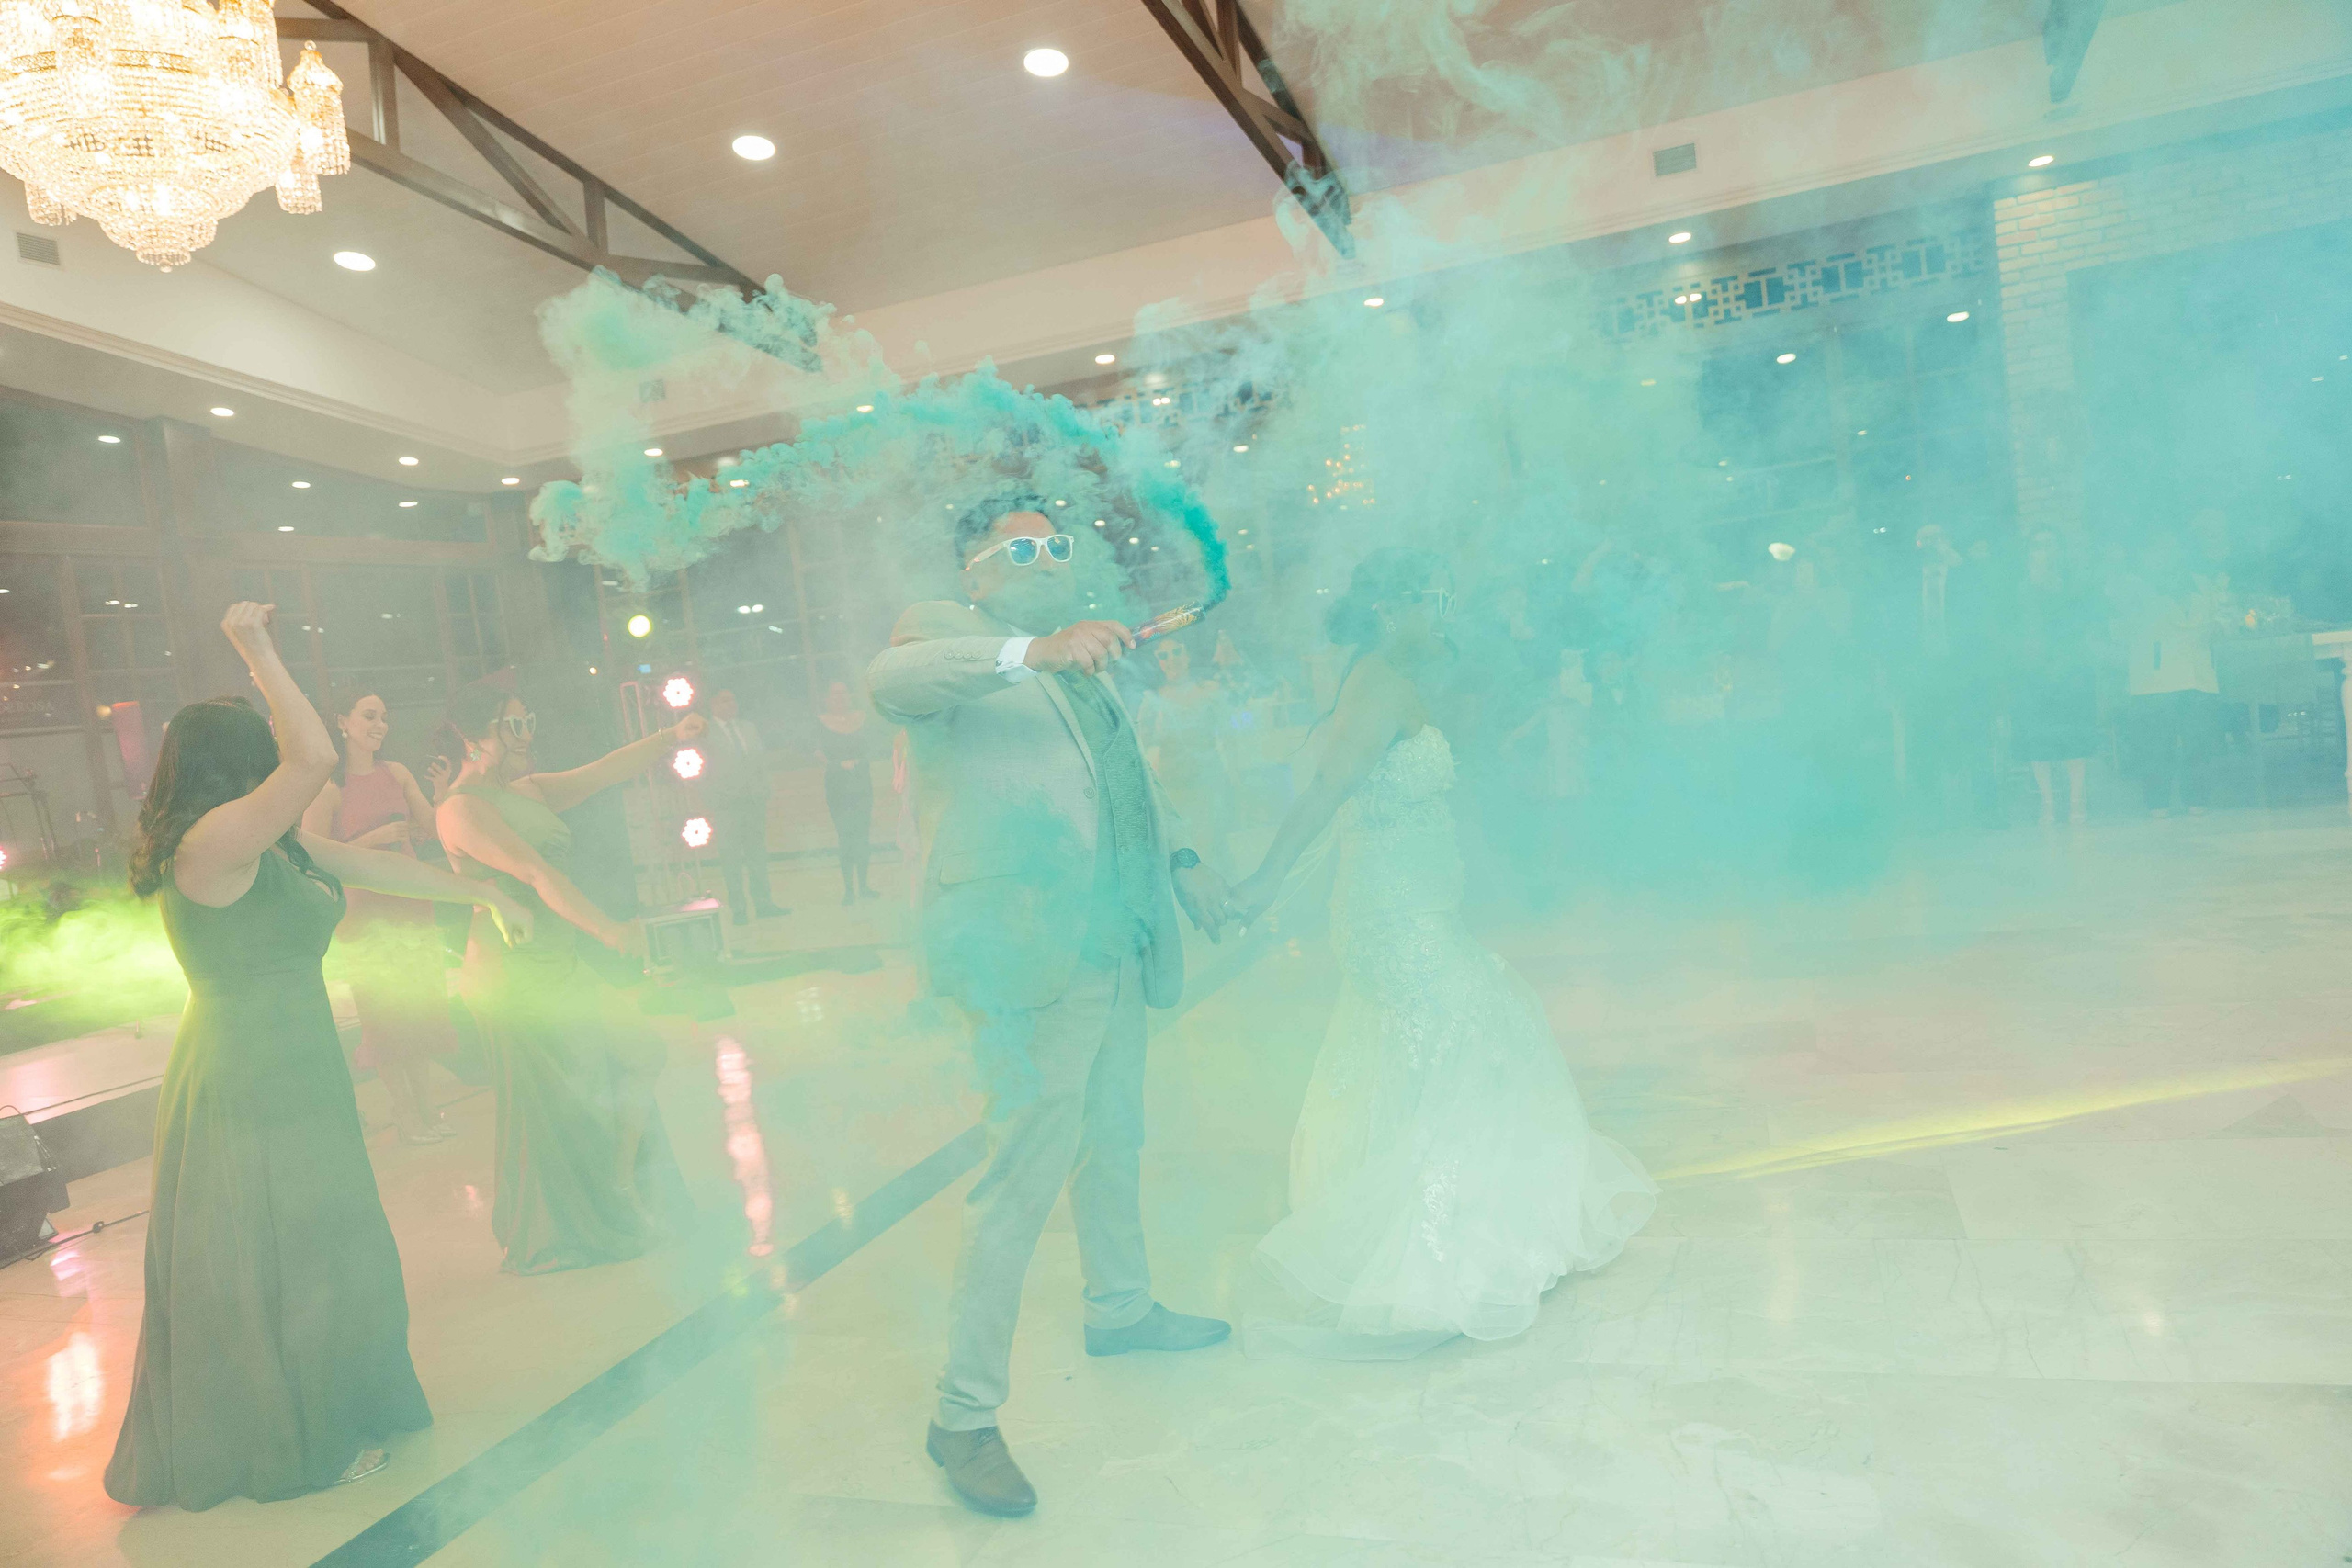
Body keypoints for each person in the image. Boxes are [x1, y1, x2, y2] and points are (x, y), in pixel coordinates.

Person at [107, 604, 531, 1510]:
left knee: (329, 1241)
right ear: (239, 765)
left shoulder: (273, 845)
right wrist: (256, 649)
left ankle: (345, 1399)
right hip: (248, 1069)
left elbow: (373, 867)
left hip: (294, 1059)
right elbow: (315, 759)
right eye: (260, 748)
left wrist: (480, 890)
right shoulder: (210, 847)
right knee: (285, 1249)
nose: (277, 763)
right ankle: (293, 1440)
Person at [868, 493, 1238, 1518]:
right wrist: (1031, 648)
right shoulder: (953, 635)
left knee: (1113, 1136)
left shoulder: (1078, 665)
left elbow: (1124, 780)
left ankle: (1119, 1307)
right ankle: (962, 1416)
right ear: (975, 570)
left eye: (1058, 545)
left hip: (1114, 938)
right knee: (1020, 1177)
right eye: (1020, 547)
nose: (1045, 559)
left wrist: (1187, 859)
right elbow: (886, 683)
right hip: (1030, 954)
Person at [1227, 548, 1656, 1359]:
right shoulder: (1381, 681)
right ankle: (1436, 1254)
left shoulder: (1386, 678)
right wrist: (1260, 882)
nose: (1444, 613)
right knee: (1473, 1029)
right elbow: (1325, 793)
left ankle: (1452, 1226)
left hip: (1413, 904)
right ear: (1392, 608)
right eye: (1432, 599)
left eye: (1447, 596)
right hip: (1396, 918)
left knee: (1434, 1048)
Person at [434, 682, 699, 1274]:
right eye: (514, 726)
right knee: (563, 1099)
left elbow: (603, 772)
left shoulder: (527, 791)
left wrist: (668, 738)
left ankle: (617, 1183)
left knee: (640, 1051)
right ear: (475, 736)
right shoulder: (462, 809)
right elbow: (531, 872)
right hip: (515, 974)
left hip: (558, 960)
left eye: (531, 722)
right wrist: (607, 930)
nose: (528, 736)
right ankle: (583, 1213)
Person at [302, 688, 459, 1144]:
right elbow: (314, 860)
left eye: (384, 717)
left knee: (422, 1009)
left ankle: (427, 1109)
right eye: (369, 716)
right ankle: (406, 1116)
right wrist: (373, 841)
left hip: (411, 906)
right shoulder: (329, 790)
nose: (380, 725)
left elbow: (435, 832)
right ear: (342, 722)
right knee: (386, 1018)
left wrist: (440, 792)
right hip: (367, 916)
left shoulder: (398, 774)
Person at [2110, 534, 2232, 817]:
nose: (2167, 553)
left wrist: (2221, 627)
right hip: (2152, 680)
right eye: (2159, 548)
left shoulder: (2204, 584)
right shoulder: (2132, 586)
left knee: (2199, 745)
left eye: (2173, 547)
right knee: (2154, 748)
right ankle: (2158, 806)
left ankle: (2197, 803)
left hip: (2198, 676)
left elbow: (2225, 616)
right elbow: (2119, 626)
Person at [2011, 530, 2101, 826]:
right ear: (2028, 552)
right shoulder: (2017, 587)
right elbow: (2009, 629)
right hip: (2032, 672)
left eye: (2051, 544)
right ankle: (2047, 802)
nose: (2045, 552)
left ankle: (2077, 798)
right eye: (2038, 545)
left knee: (2074, 735)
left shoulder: (2076, 584)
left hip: (2072, 669)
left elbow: (2085, 624)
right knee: (2038, 739)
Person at [1134, 636, 1238, 871]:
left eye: (1177, 652)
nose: (1171, 660)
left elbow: (1229, 736)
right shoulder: (1153, 700)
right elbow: (1141, 742)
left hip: (1207, 781)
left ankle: (1223, 897)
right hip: (1172, 784)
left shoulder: (1209, 691)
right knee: (1179, 847)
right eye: (1163, 655)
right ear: (1158, 662)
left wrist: (1235, 774)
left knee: (1211, 844)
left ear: (1188, 655)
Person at [700, 688, 786, 925]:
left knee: (757, 856)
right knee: (731, 860)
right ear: (714, 704)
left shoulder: (748, 728)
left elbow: (760, 762)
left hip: (753, 802)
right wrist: (713, 799)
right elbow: (702, 771)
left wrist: (764, 790)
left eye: (733, 699)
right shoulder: (706, 733)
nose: (731, 704)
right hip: (726, 806)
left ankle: (764, 903)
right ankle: (738, 909)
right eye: (725, 700)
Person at [814, 679, 889, 904]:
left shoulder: (862, 719)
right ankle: (849, 890)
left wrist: (861, 761)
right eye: (835, 694)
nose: (840, 698)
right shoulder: (820, 723)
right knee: (846, 838)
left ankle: (864, 886)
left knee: (862, 837)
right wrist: (838, 765)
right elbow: (817, 753)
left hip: (861, 784)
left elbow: (874, 746)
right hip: (838, 787)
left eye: (844, 693)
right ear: (827, 699)